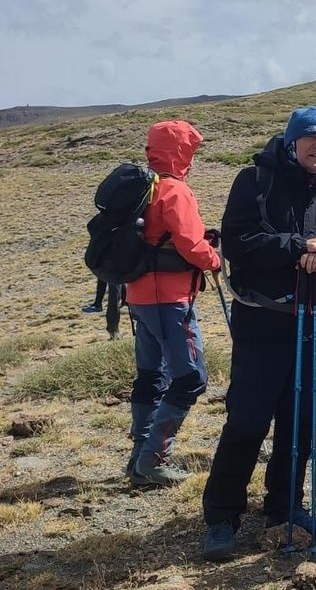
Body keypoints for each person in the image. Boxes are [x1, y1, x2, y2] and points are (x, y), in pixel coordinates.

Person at [202, 107, 316, 561]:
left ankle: (285, 508)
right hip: (263, 321)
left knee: (299, 420)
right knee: (248, 418)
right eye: (310, 138)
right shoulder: (256, 180)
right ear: (292, 142)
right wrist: (297, 248)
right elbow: (239, 242)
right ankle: (222, 517)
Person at [121, 121, 223, 488]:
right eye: (190, 152)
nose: (192, 160)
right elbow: (191, 247)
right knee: (191, 378)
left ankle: (137, 459)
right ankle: (152, 459)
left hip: (138, 297)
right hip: (169, 299)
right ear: (180, 152)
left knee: (152, 375)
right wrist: (215, 259)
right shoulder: (174, 191)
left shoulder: (143, 188)